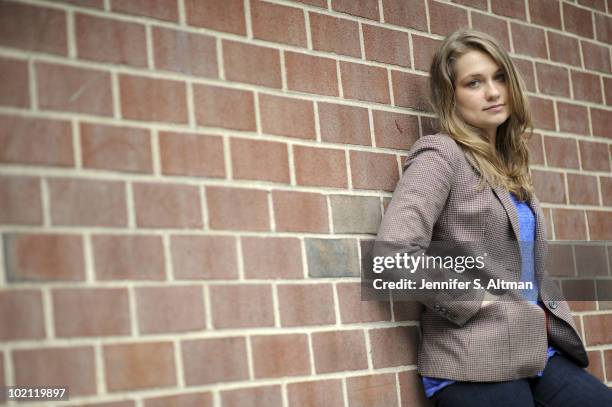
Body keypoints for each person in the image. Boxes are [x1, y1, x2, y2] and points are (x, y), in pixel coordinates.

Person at [373, 29, 612, 406]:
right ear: (451, 97)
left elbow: (524, 265)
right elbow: (392, 258)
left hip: (535, 353)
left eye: (499, 77)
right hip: (472, 358)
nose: (493, 92)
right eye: (474, 82)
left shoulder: (509, 165)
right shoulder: (441, 155)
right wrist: (474, 299)